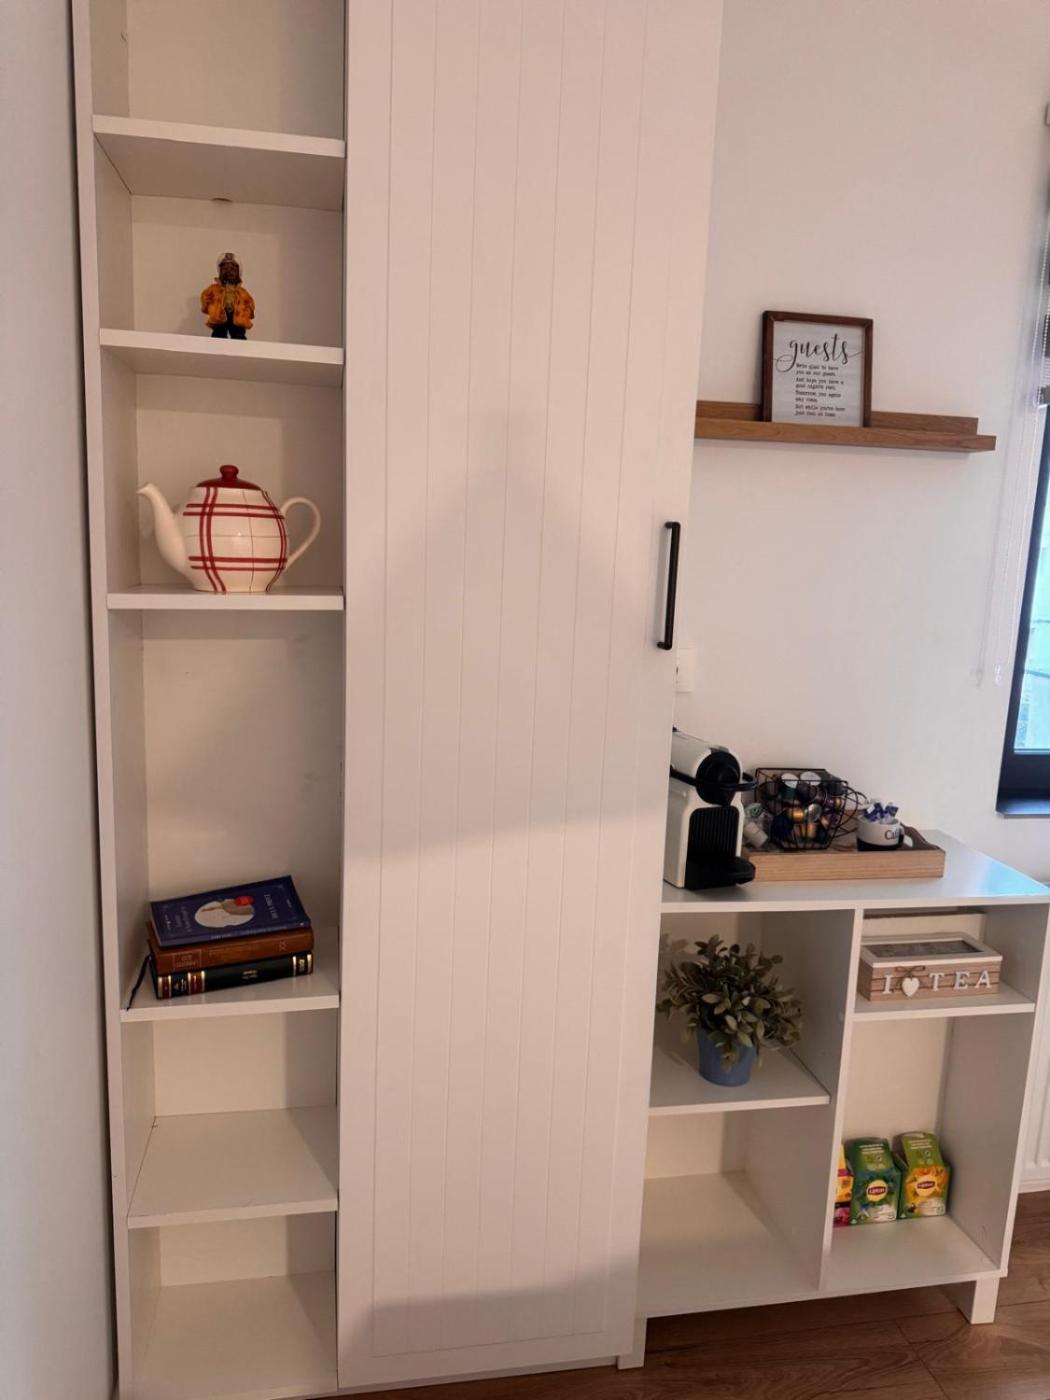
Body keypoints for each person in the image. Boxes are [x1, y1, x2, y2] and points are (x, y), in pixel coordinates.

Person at [200, 252, 255, 338]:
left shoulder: (242, 292)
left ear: (238, 273)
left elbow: (249, 303)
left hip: (236, 316)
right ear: (220, 271)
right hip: (220, 315)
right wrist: (211, 307)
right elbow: (205, 297)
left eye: (232, 269)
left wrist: (245, 313)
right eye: (225, 268)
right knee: (219, 332)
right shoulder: (214, 289)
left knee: (238, 333)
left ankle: (238, 336)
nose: (228, 271)